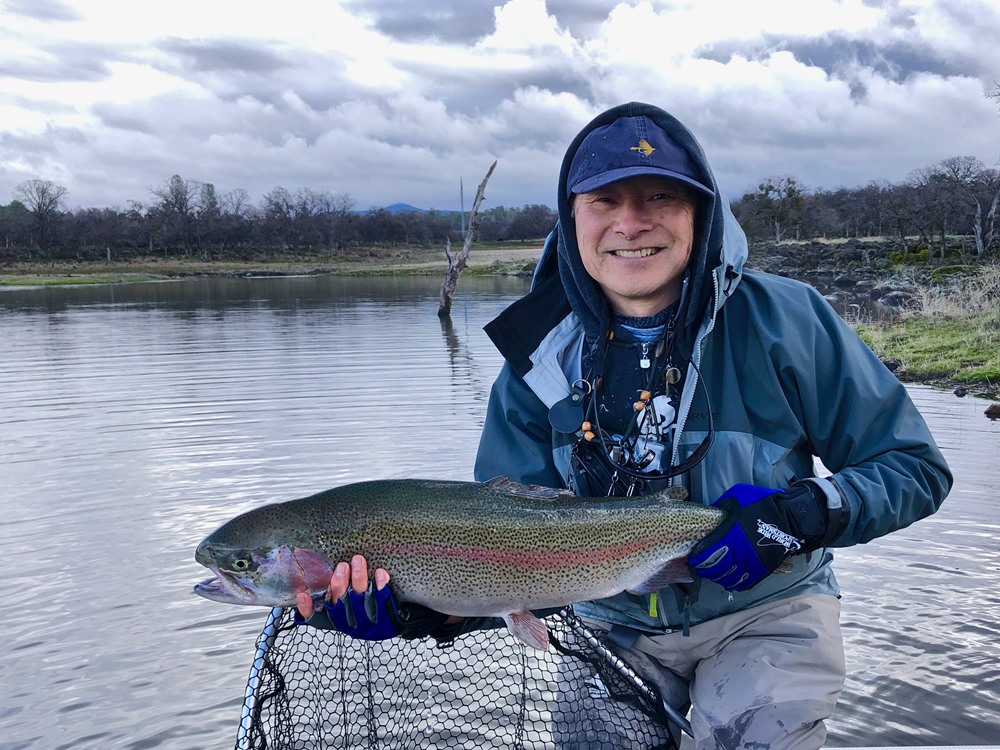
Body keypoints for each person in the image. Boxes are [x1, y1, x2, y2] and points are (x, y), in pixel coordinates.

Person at [295, 102, 952, 749]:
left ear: (701, 212)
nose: (631, 222)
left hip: (769, 614)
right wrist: (418, 606)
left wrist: (807, 512)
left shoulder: (789, 321)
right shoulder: (536, 361)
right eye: (605, 200)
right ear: (572, 216)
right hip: (608, 625)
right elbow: (511, 559)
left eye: (659, 196)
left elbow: (916, 468)